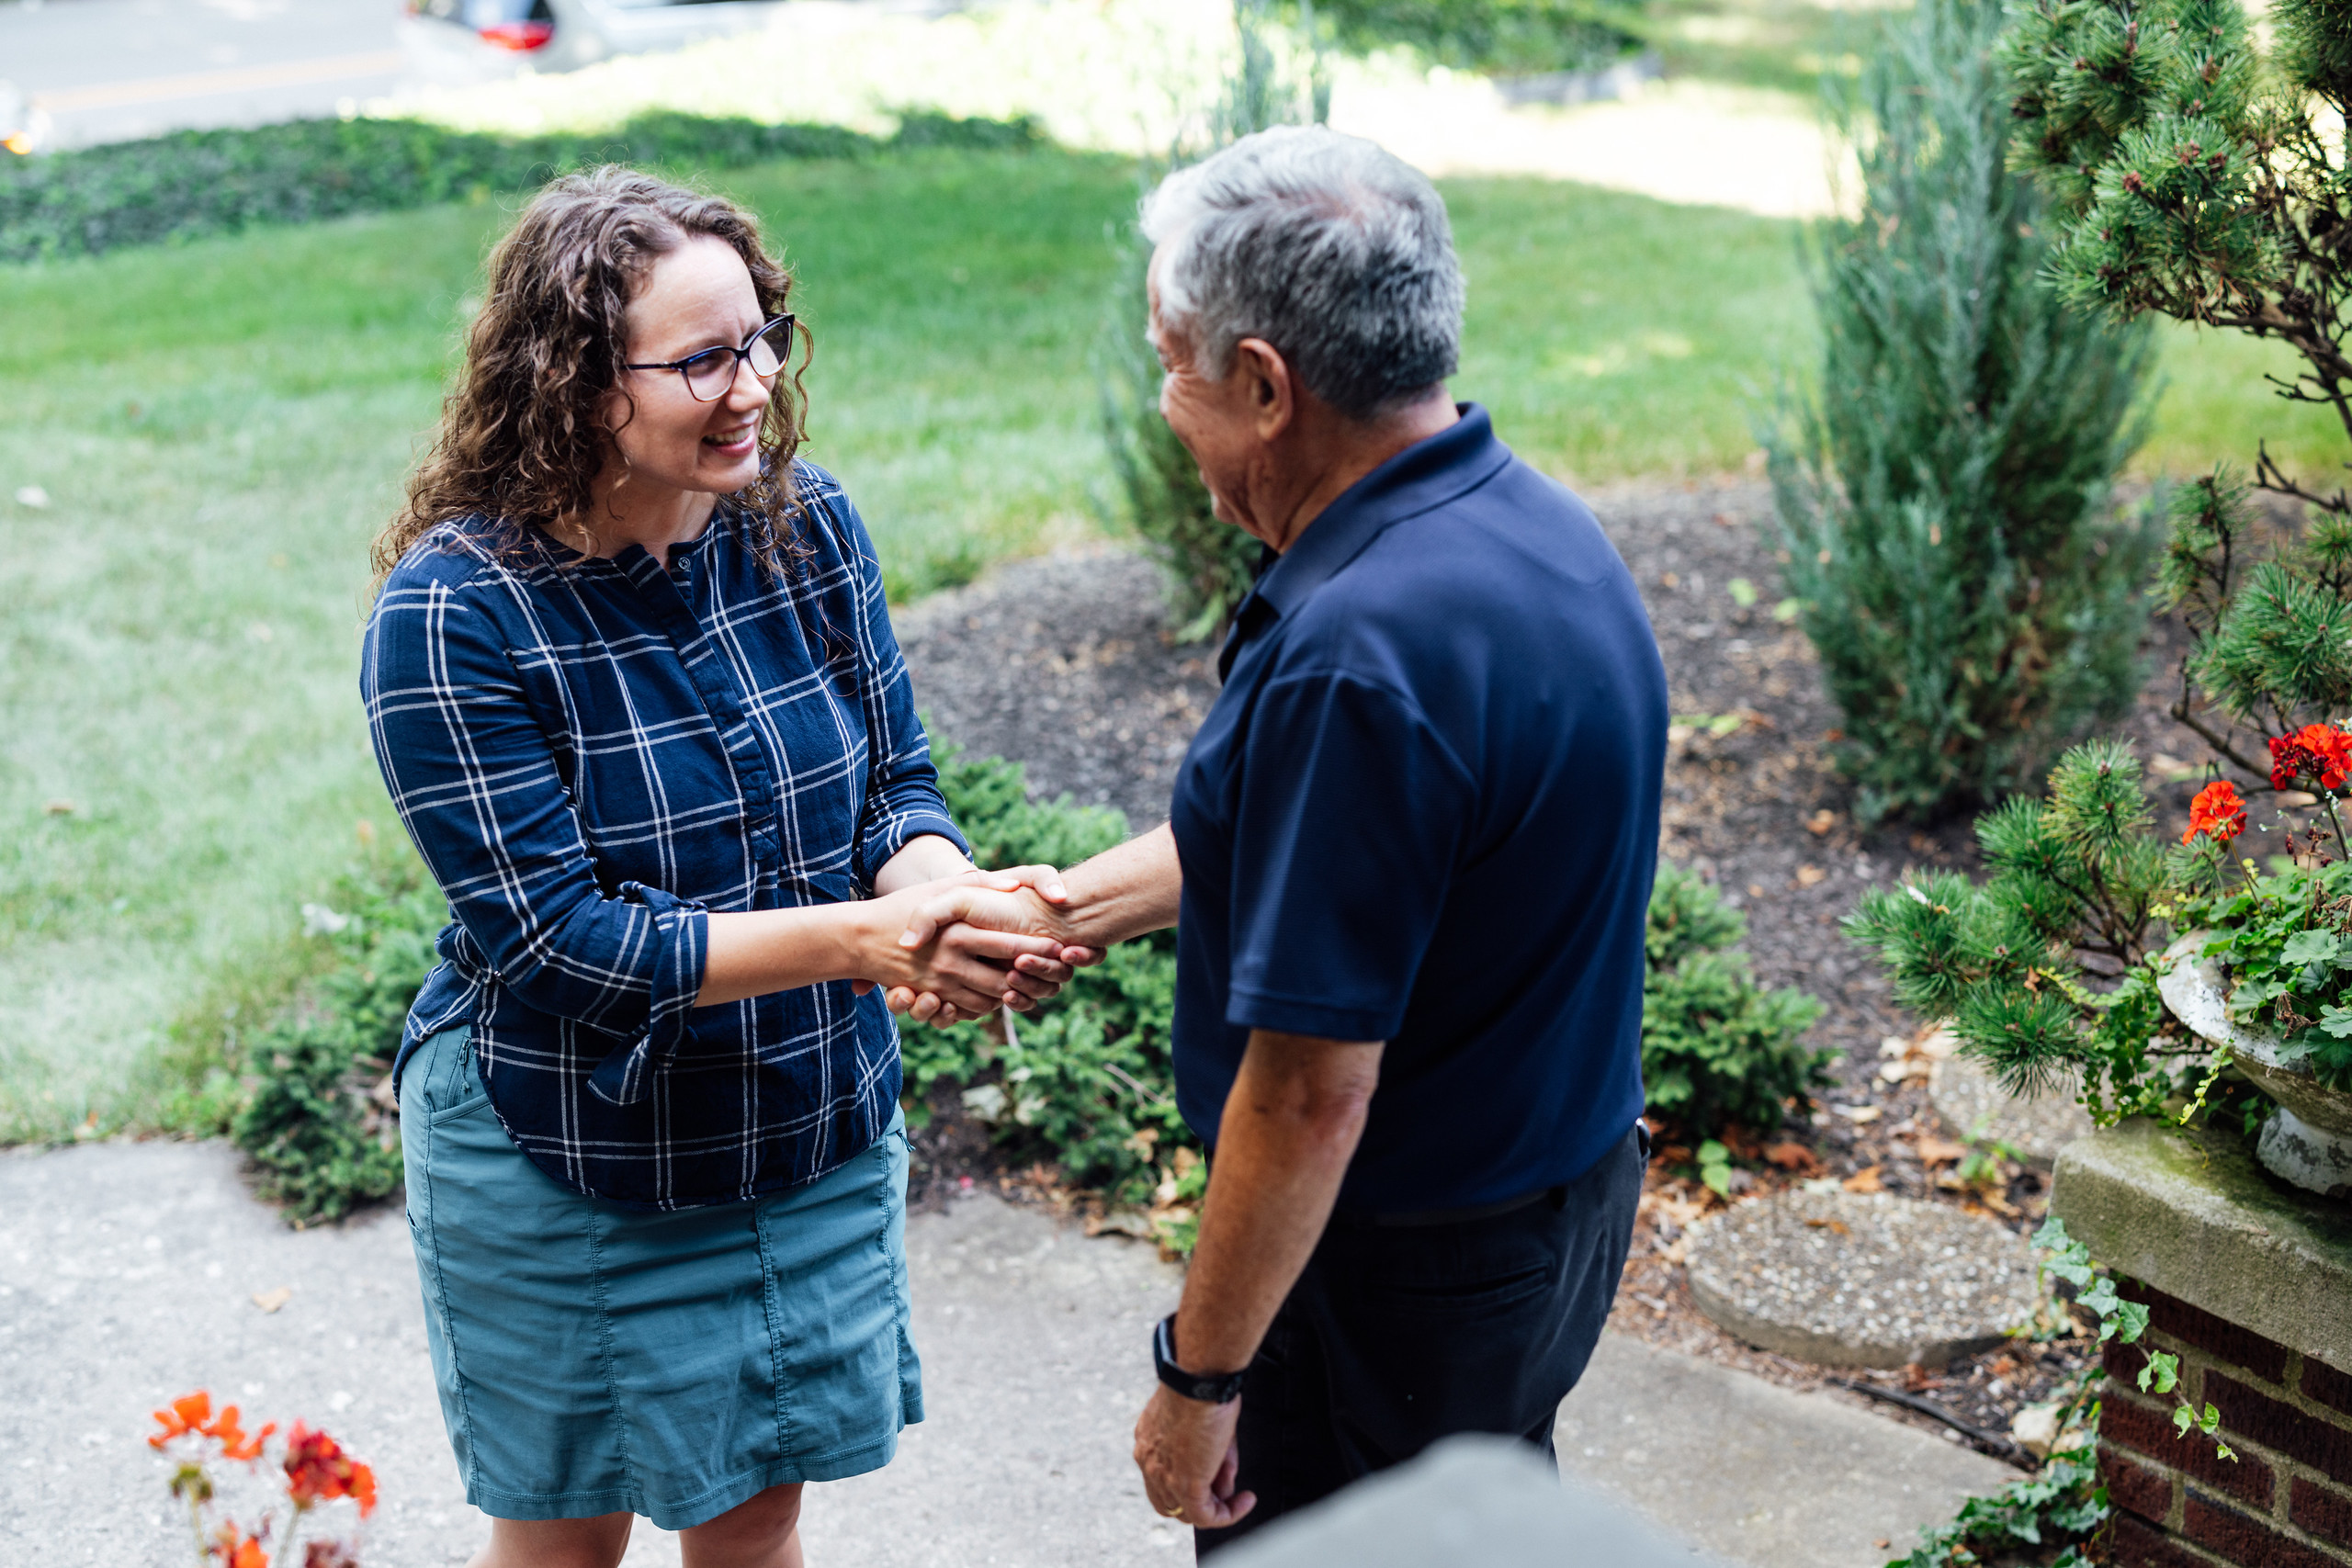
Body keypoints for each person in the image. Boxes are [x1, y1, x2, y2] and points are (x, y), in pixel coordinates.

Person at [894, 125, 1668, 1554]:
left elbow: (1311, 1094)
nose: (1167, 409)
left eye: (1173, 370)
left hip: (1392, 1277)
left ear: (1264, 385)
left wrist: (1198, 1377)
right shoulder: (1528, 534)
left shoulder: (1359, 655)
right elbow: (1327, 839)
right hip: (1549, 1216)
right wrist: (1052, 913)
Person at [361, 167, 1080, 1568]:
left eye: (761, 338)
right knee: (568, 1542)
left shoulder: (805, 531)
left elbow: (895, 789)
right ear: (574, 383)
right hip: (569, 1147)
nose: (752, 383)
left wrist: (940, 896)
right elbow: (561, 943)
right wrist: (868, 945)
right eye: (702, 358)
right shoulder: (452, 616)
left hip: (798, 1124)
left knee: (757, 1525)